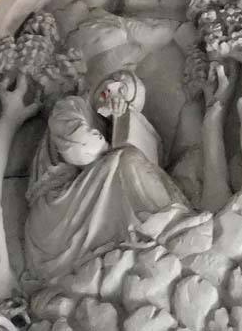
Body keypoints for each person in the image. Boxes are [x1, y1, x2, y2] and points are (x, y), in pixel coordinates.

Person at [24, 70, 187, 280]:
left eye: (122, 90)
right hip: (53, 217)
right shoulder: (73, 105)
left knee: (133, 161)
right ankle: (168, 223)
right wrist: (113, 149)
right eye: (113, 79)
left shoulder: (107, 126)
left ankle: (165, 221)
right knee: (127, 158)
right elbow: (79, 147)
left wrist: (120, 125)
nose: (112, 87)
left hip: (73, 208)